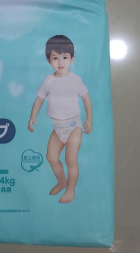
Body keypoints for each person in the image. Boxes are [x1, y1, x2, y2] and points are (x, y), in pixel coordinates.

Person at [28, 35, 93, 203]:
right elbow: (39, 99)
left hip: (74, 126)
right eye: (55, 58)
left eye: (65, 57)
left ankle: (71, 190)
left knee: (70, 160)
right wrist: (33, 116)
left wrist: (89, 119)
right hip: (57, 127)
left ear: (72, 59)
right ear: (48, 60)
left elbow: (86, 98)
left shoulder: (75, 79)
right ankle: (62, 181)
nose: (60, 62)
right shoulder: (49, 80)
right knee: (51, 158)